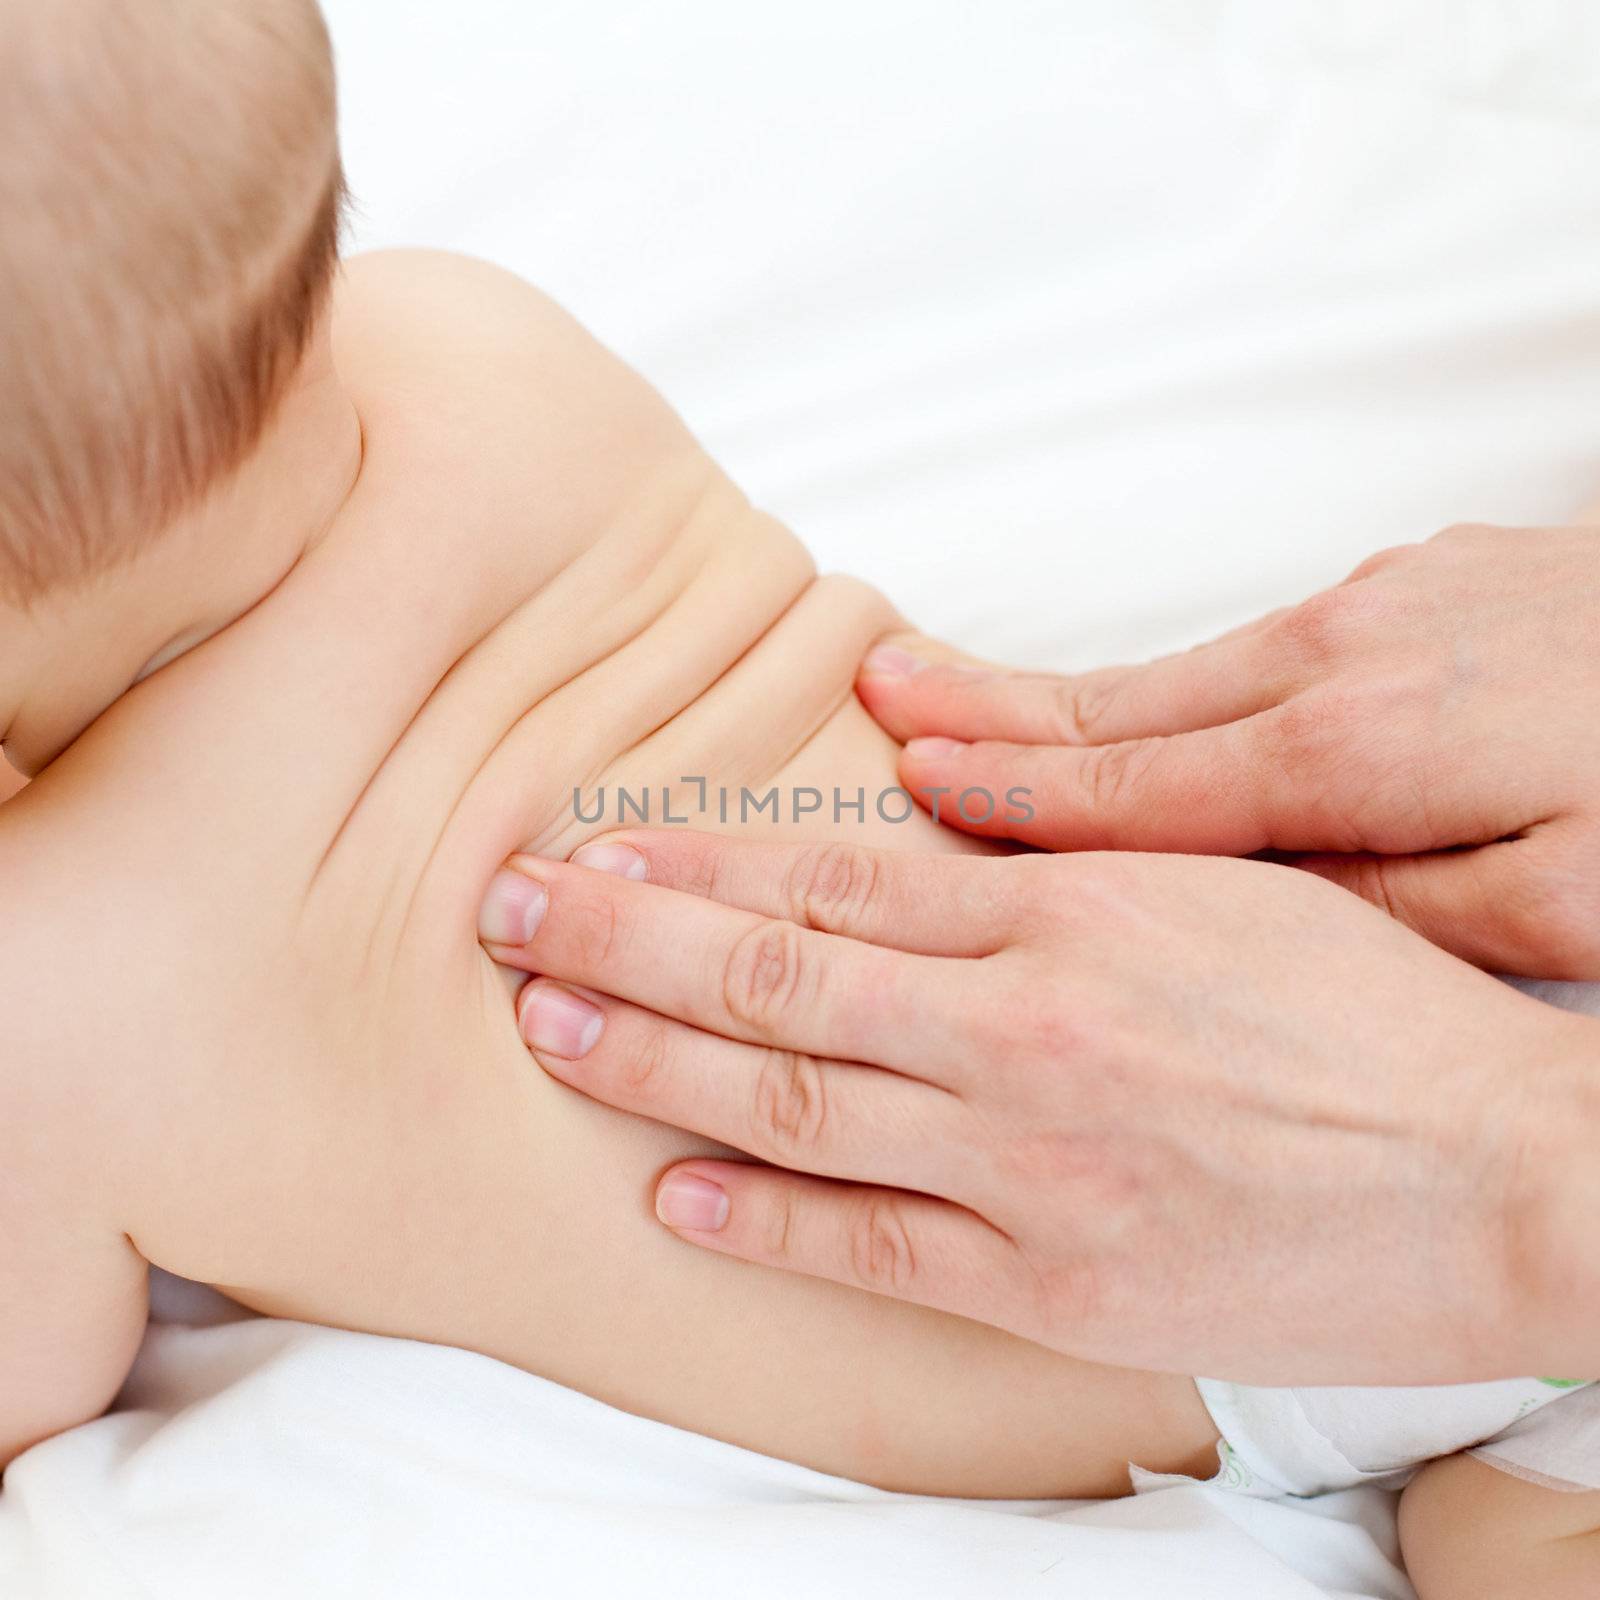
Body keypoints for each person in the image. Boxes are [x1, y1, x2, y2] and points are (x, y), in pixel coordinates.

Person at [1, 2, 1594, 1590]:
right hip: (1460, 908)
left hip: (1299, 1283)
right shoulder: (462, 332)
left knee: (1496, 1532)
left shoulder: (48, 993)